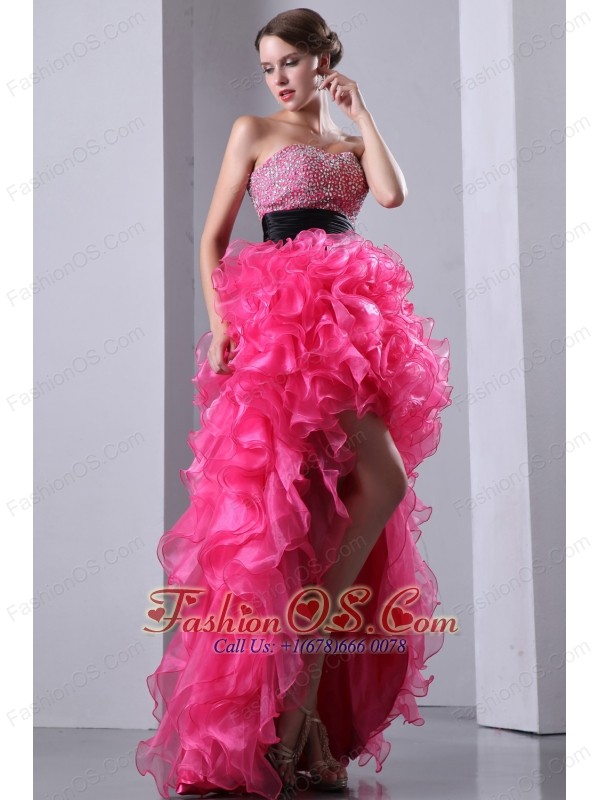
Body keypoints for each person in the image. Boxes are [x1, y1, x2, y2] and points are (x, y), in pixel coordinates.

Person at [135, 7, 453, 799]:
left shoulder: (349, 144)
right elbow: (213, 238)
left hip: (348, 324)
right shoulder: (253, 131)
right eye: (269, 66)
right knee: (283, 513)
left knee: (362, 492)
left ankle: (306, 700)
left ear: (323, 62)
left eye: (290, 63)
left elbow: (391, 194)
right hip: (279, 327)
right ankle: (285, 717)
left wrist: (363, 113)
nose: (278, 78)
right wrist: (221, 324)